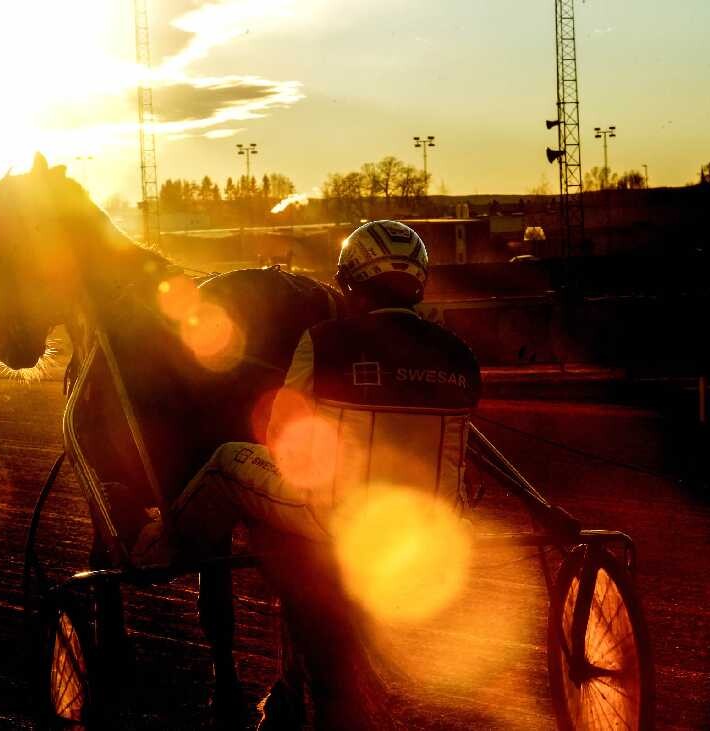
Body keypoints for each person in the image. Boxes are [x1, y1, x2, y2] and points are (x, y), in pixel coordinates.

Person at [136, 220, 482, 729]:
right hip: (435, 519)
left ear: (348, 282)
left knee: (227, 460)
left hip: (333, 515)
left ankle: (156, 546)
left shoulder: (323, 340)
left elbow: (282, 436)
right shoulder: (461, 356)